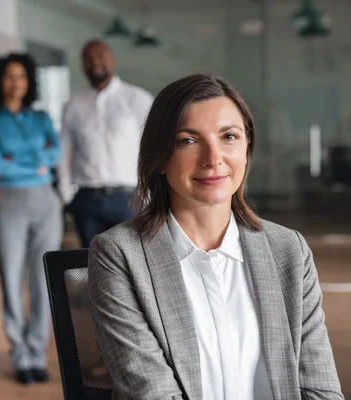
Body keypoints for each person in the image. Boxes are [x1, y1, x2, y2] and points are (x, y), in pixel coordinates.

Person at [88, 74, 343, 400]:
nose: (213, 158)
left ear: (247, 149)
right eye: (188, 141)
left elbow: (320, 389)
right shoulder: (119, 255)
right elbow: (153, 394)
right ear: (160, 158)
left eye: (229, 136)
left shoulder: (289, 251)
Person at [0, 53, 63, 385]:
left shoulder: (42, 118)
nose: (16, 82)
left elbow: (54, 154)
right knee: (12, 281)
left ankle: (38, 353)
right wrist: (35, 162)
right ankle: (20, 355)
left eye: (22, 76)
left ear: (29, 82)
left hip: (46, 201)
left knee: (43, 279)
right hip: (9, 203)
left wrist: (18, 158)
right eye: (9, 76)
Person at [58, 39, 153, 247]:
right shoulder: (74, 105)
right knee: (92, 263)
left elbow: (153, 147)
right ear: (82, 65)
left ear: (112, 59)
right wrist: (66, 194)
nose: (95, 62)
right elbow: (65, 150)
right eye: (88, 59)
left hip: (129, 199)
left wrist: (150, 194)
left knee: (133, 261)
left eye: (100, 56)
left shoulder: (137, 99)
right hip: (87, 199)